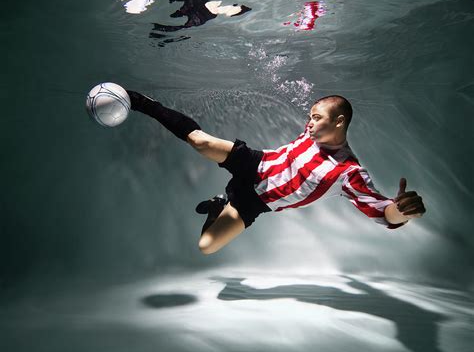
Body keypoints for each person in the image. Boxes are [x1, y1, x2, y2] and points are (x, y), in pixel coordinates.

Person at [126, 90, 426, 255]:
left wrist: (401, 211)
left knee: (206, 246)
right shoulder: (310, 134)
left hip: (255, 202)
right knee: (201, 141)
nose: (308, 123)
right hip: (254, 163)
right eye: (309, 116)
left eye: (317, 118)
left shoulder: (348, 172)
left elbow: (383, 212)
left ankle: (219, 206)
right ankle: (143, 102)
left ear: (339, 122)